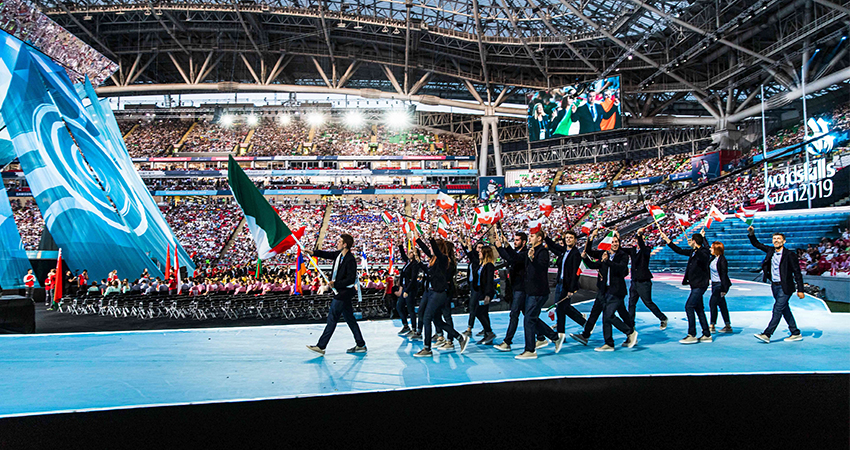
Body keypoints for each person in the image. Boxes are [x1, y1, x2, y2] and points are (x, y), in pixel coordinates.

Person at [504, 230, 563, 360]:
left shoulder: (542, 252)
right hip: (531, 291)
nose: (530, 238)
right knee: (532, 318)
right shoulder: (530, 251)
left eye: (532, 236)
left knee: (529, 319)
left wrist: (532, 259)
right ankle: (554, 337)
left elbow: (541, 268)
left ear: (539, 238)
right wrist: (506, 246)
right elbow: (516, 258)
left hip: (538, 292)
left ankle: (530, 350)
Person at [305, 233, 368, 355]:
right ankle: (360, 344)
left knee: (332, 317)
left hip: (344, 292)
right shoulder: (339, 256)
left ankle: (321, 346)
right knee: (350, 319)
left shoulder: (350, 259)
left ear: (345, 244)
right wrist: (313, 252)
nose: (337, 243)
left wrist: (336, 284)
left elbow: (350, 279)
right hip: (341, 291)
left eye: (339, 241)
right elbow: (326, 254)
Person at [412, 229, 468, 357]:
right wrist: (418, 240)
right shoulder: (435, 259)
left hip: (438, 293)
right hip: (432, 292)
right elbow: (427, 254)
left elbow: (433, 250)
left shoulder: (443, 259)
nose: (430, 251)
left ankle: (427, 348)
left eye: (433, 248)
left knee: (427, 317)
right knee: (437, 320)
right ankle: (460, 338)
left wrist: (431, 239)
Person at [581, 233, 638, 351]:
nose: (615, 244)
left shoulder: (623, 255)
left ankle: (630, 332)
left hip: (616, 291)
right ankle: (609, 343)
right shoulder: (604, 254)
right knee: (611, 315)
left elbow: (620, 268)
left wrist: (607, 261)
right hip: (604, 290)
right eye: (612, 242)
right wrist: (588, 249)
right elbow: (592, 258)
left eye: (616, 241)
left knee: (609, 315)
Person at [747, 226, 805, 343]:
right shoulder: (770, 251)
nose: (776, 241)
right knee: (784, 309)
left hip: (786, 286)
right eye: (774, 239)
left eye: (779, 239)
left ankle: (767, 334)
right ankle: (795, 332)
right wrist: (752, 234)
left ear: (784, 241)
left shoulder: (790, 255)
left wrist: (801, 289)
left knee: (777, 309)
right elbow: (757, 244)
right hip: (774, 285)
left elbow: (797, 273)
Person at [664, 230, 712, 344]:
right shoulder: (693, 252)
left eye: (692, 240)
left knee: (689, 306)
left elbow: (704, 256)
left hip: (700, 284)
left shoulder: (703, 252)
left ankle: (692, 334)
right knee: (698, 308)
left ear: (695, 242)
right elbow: (680, 250)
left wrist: (699, 244)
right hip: (694, 284)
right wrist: (668, 242)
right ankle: (706, 333)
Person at [544, 230, 588, 337]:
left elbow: (574, 273)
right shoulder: (564, 251)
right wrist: (546, 237)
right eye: (567, 237)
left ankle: (561, 333)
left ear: (575, 240)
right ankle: (584, 323)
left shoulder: (575, 254)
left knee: (560, 307)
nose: (568, 239)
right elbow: (553, 246)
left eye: (571, 238)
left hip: (566, 285)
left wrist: (571, 289)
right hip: (560, 283)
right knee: (563, 307)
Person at [623, 227, 668, 329]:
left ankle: (662, 318)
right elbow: (621, 250)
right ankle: (631, 324)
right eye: (640, 238)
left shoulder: (647, 249)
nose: (642, 240)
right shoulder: (632, 250)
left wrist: (639, 235)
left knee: (648, 302)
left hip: (644, 282)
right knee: (631, 303)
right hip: (634, 281)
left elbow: (643, 248)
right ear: (635, 240)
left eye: (643, 239)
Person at [494, 231, 529, 352]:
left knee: (514, 314)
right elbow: (509, 257)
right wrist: (500, 247)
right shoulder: (518, 252)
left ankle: (507, 341)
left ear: (524, 242)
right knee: (528, 315)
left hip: (521, 288)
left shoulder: (525, 253)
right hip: (515, 287)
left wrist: (506, 246)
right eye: (514, 240)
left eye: (517, 240)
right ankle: (547, 336)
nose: (515, 242)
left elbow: (514, 258)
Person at [395, 238, 421, 337]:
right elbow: (403, 255)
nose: (409, 253)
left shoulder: (415, 264)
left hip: (410, 289)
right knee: (399, 306)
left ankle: (414, 328)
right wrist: (400, 246)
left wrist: (408, 290)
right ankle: (406, 325)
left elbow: (414, 278)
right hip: (405, 287)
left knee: (410, 309)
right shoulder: (408, 262)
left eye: (411, 252)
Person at [472, 245, 497, 345]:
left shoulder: (489, 265)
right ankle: (487, 334)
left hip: (484, 292)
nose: (479, 253)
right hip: (479, 290)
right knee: (483, 313)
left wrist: (488, 295)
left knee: (478, 311)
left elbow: (489, 281)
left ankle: (489, 331)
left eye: (480, 252)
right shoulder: (480, 264)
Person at [460, 237, 484, 338]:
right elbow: (468, 251)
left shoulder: (478, 261)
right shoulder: (473, 259)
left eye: (482, 248)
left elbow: (470, 254)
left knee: (473, 306)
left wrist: (468, 247)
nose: (480, 250)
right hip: (472, 285)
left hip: (478, 287)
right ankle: (486, 328)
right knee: (479, 309)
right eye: (478, 247)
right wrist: (462, 242)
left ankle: (470, 328)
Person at [708, 241, 733, 334]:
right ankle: (728, 325)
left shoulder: (722, 260)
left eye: (712, 248)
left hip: (719, 285)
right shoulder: (713, 259)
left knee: (712, 303)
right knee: (722, 305)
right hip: (714, 284)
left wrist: (724, 289)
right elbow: (707, 248)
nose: (710, 249)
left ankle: (712, 325)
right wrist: (703, 237)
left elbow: (724, 275)